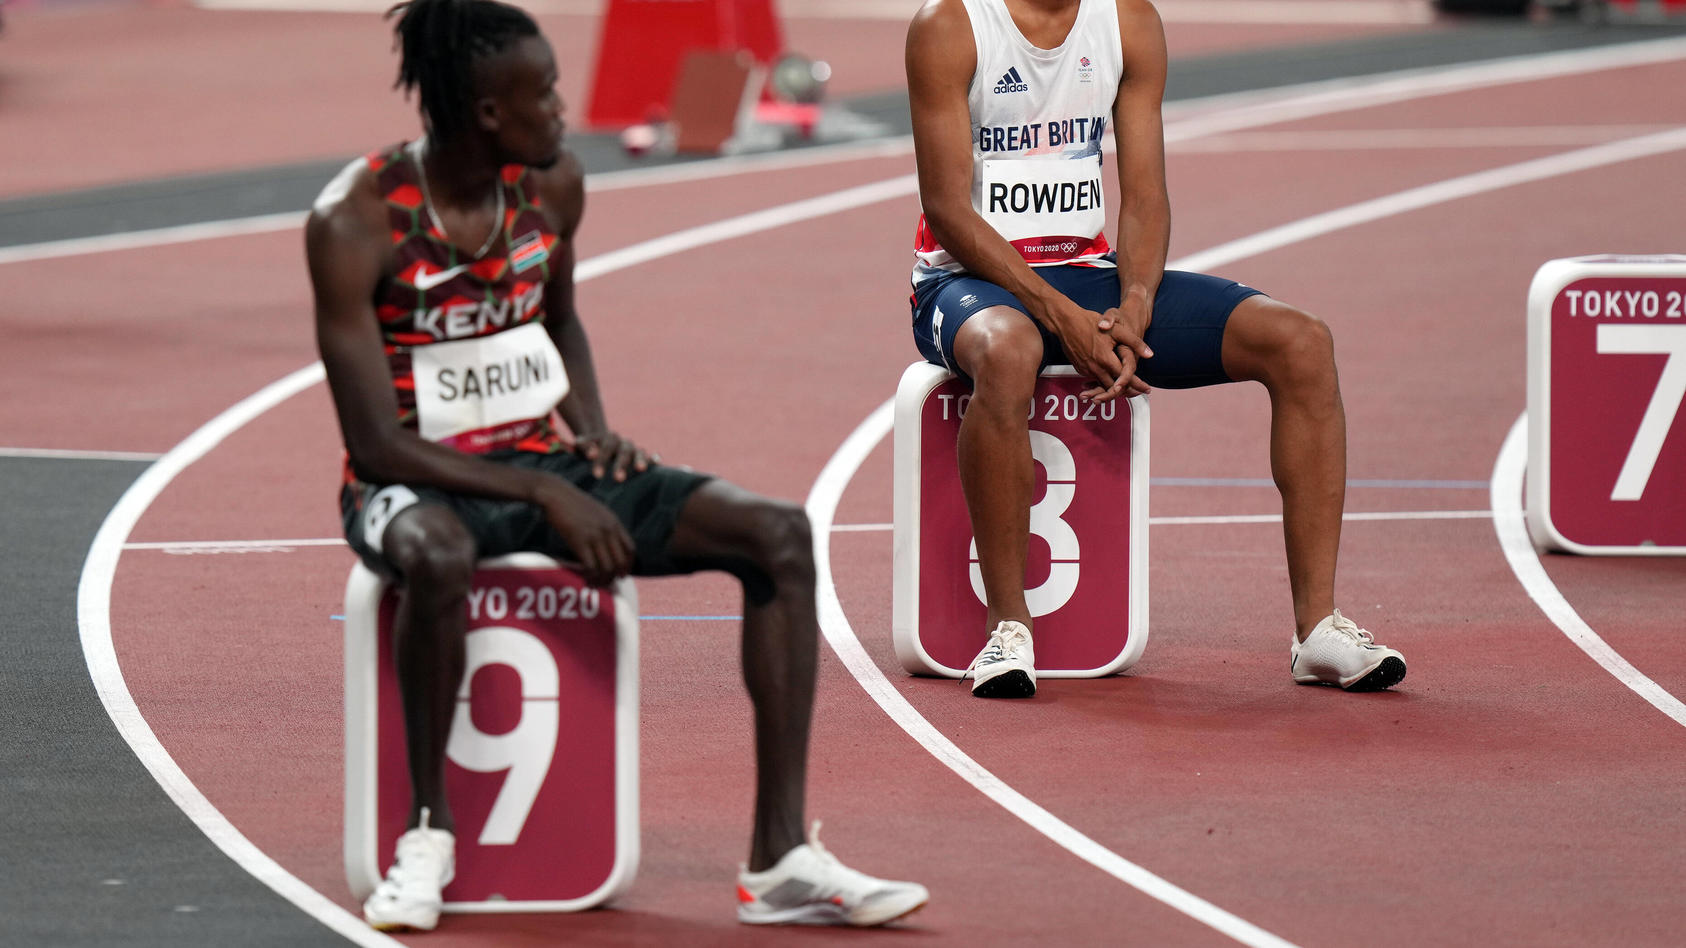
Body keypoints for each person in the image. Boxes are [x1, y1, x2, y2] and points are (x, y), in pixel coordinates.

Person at [305, 0, 927, 932]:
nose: (562, 111)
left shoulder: (552, 187)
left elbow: (559, 321)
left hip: (545, 460)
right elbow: (375, 443)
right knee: (434, 554)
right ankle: (427, 833)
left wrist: (591, 435)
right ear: (484, 112)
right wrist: (546, 490)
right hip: (416, 483)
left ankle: (781, 857)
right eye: (544, 94)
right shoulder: (357, 222)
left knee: (778, 536)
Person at [904, 0, 1407, 698]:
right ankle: (1008, 630)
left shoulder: (1129, 21)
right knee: (1010, 351)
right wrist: (1064, 314)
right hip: (965, 285)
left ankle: (1317, 629)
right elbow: (948, 208)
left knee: (1301, 344)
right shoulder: (950, 25)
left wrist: (1134, 305)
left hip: (1089, 277)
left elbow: (1143, 194)